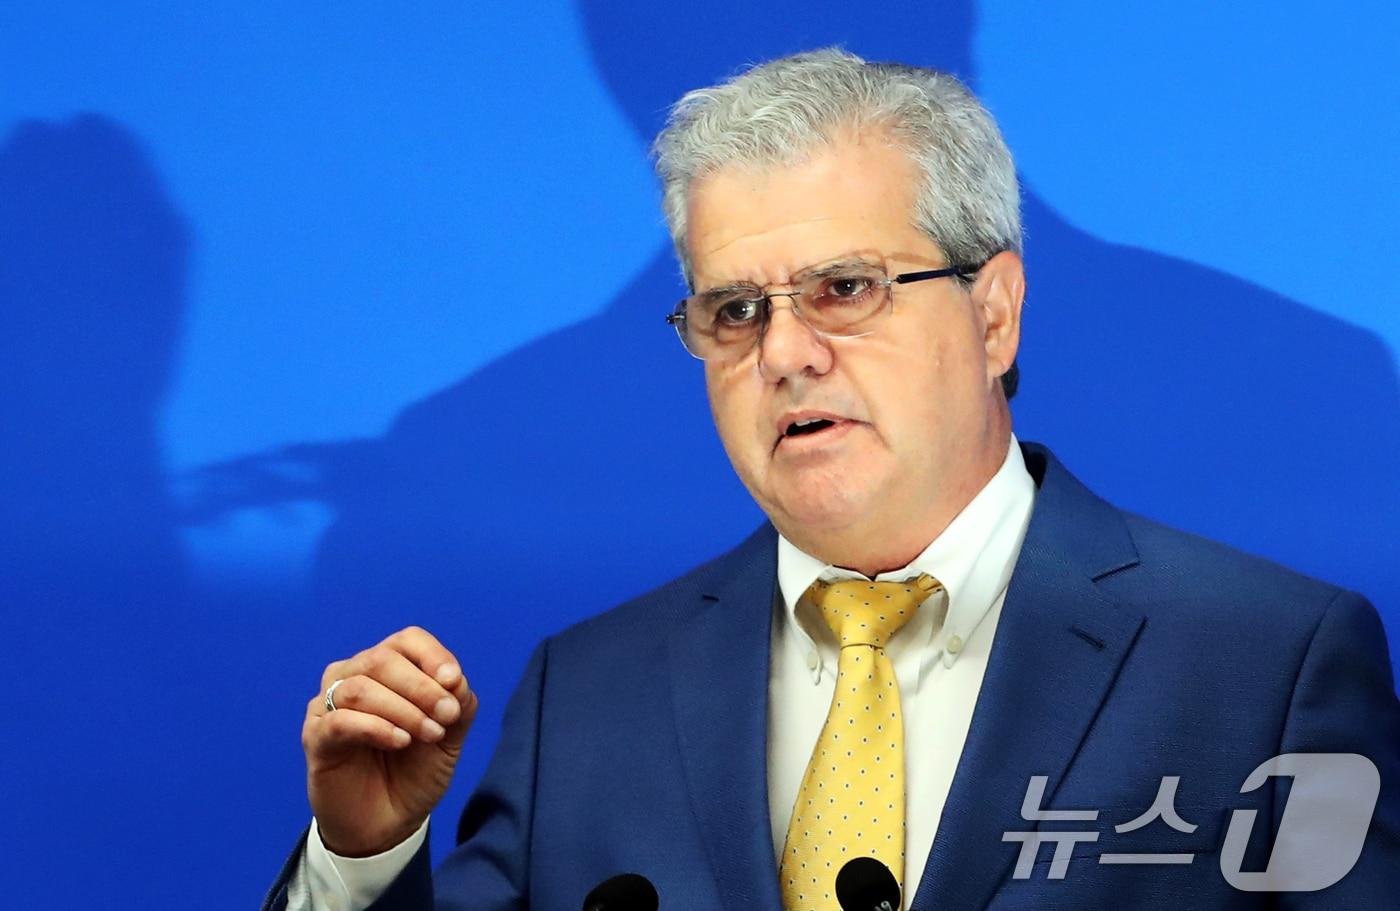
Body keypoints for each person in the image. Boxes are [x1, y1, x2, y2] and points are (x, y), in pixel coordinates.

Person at [263, 49, 1399, 911]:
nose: (785, 353)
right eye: (734, 310)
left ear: (994, 313)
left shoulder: (1265, 663)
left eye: (844, 289)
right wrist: (362, 859)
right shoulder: (589, 695)